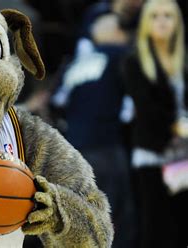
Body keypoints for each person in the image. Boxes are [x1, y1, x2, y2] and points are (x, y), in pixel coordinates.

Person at [51, 6, 138, 247]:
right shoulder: (122, 55)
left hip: (74, 151)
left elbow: (57, 101)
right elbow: (131, 110)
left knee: (77, 219)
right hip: (108, 148)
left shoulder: (76, 64)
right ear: (117, 32)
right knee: (118, 220)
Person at [122, 0, 187, 247]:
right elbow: (148, 110)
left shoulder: (183, 60)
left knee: (182, 229)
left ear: (177, 22)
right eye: (155, 15)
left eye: (168, 15)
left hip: (184, 156)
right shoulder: (135, 62)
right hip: (153, 154)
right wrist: (180, 126)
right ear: (146, 22)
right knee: (156, 229)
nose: (161, 21)